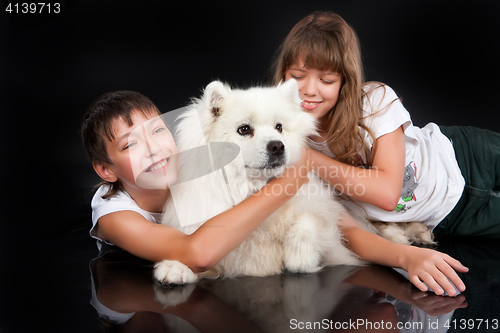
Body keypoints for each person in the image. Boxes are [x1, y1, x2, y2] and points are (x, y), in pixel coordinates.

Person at [271, 11, 489, 296]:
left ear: (345, 82)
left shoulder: (374, 100)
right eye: (298, 76)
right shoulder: (281, 147)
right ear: (283, 77)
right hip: (453, 214)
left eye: (326, 80)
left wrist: (308, 158)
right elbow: (349, 233)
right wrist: (407, 257)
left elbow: (387, 194)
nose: (309, 90)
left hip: (466, 156)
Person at [81, 90, 312, 273]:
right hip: (144, 299)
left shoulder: (180, 160)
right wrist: (287, 184)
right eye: (130, 144)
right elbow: (197, 254)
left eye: (157, 130)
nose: (154, 149)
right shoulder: (114, 216)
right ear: (105, 170)